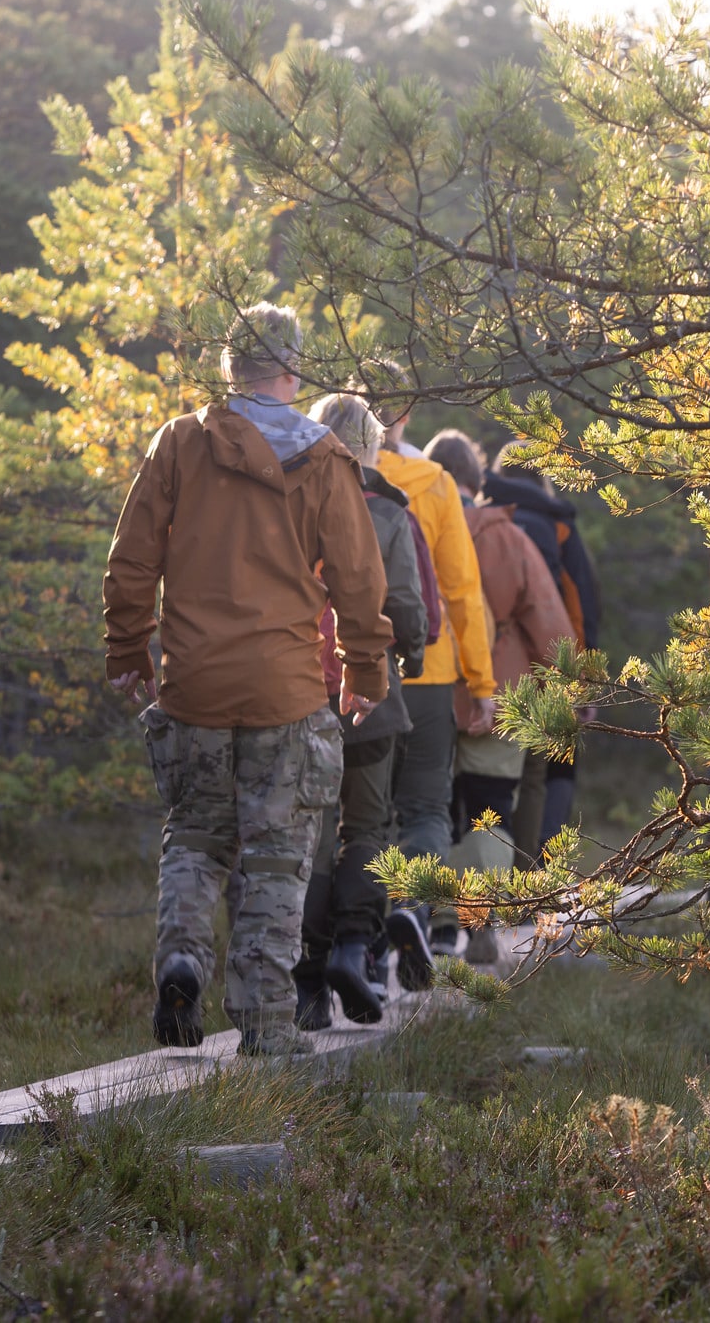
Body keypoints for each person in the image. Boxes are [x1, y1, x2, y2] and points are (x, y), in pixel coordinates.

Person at [103, 303, 392, 1057]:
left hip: (193, 683)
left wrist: (129, 647)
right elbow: (360, 580)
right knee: (275, 854)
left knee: (197, 837)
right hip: (286, 692)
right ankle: (265, 1023)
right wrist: (364, 668)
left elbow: (132, 558)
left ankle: (181, 961)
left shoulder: (180, 443)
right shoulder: (327, 459)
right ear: (293, 372)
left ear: (231, 369)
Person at [294, 393, 429, 1030]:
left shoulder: (285, 501)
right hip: (369, 692)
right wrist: (413, 651)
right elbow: (404, 605)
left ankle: (308, 984)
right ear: (372, 447)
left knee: (308, 837)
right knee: (366, 830)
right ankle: (353, 947)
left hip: (295, 689)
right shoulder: (388, 513)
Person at [375, 403, 496, 971]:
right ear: (404, 416)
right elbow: (461, 590)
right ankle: (416, 911)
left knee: (362, 816)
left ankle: (361, 947)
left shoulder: (326, 470)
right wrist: (480, 680)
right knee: (424, 808)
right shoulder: (437, 484)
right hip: (429, 670)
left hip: (354, 667)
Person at [424, 429, 572, 848]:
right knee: (490, 809)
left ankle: (432, 910)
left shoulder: (416, 529)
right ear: (477, 480)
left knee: (430, 805)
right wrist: (573, 690)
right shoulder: (508, 537)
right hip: (503, 693)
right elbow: (546, 617)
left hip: (427, 688)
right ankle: (482, 908)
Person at [482, 444, 603, 865]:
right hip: (549, 669)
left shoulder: (481, 518)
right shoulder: (559, 528)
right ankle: (536, 871)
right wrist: (582, 683)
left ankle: (482, 875)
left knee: (485, 775)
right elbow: (580, 609)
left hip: (483, 668)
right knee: (546, 772)